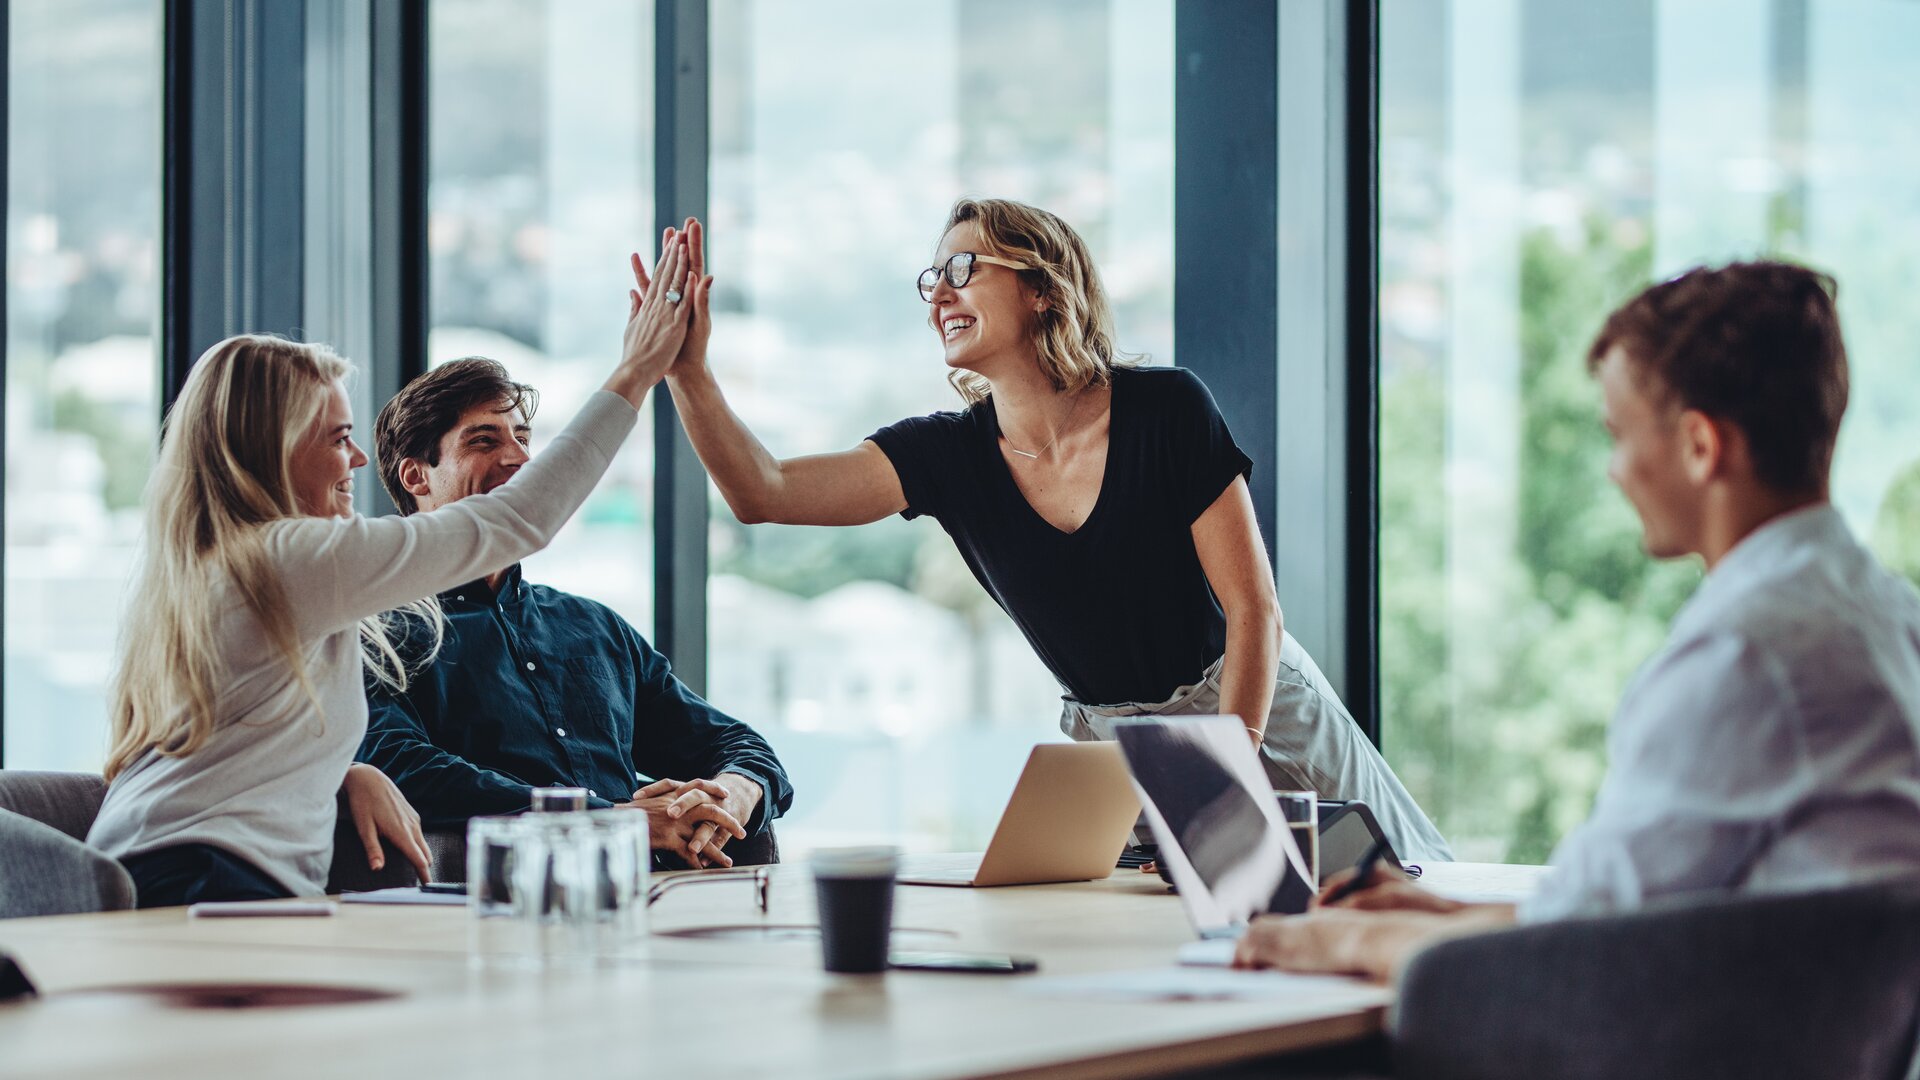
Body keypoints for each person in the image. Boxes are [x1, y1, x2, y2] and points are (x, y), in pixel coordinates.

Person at [651, 199, 1451, 862]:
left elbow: (1255, 613)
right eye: (933, 278)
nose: (940, 294)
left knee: (1401, 895)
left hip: (1255, 708)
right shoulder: (946, 455)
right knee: (1170, 949)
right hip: (1116, 753)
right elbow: (765, 491)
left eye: (966, 268)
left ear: (1042, 287)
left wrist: (1221, 770)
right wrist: (688, 372)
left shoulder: (1167, 409)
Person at [1234, 261, 1920, 981]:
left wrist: (1341, 943)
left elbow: (1578, 953)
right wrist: (1440, 914)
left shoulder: (1746, 652)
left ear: (1699, 447)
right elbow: (1618, 908)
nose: (1614, 471)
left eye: (1620, 436)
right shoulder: (1884, 615)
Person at [85, 235, 696, 907]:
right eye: (336, 438)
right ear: (272, 449)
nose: (357, 462)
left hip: (165, 868)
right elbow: (517, 521)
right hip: (202, 879)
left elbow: (238, 740)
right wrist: (635, 373)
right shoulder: (285, 559)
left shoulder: (220, 567)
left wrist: (346, 771)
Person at [357, 358, 793, 869]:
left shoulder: (593, 626)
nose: (519, 458)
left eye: (522, 437)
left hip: (653, 899)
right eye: (484, 441)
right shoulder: (377, 630)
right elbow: (397, 764)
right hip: (496, 903)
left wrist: (733, 793)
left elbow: (735, 742)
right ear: (416, 475)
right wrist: (607, 818)